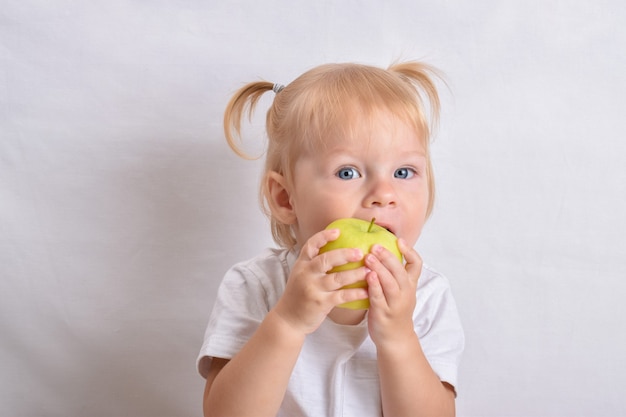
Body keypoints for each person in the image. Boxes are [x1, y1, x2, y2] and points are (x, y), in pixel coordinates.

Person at [197, 61, 465, 417]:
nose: (384, 193)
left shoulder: (428, 295)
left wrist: (399, 337)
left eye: (404, 172)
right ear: (285, 198)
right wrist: (288, 322)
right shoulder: (256, 286)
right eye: (347, 171)